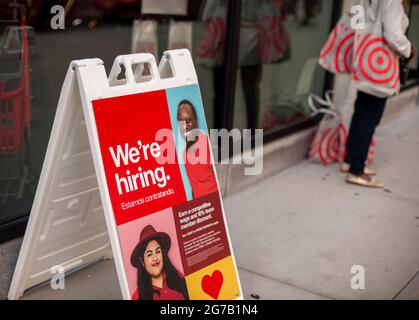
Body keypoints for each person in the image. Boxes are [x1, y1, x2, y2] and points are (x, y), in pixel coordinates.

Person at [342, 0, 416, 188]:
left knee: (360, 113)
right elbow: (393, 34)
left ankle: (350, 160)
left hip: (364, 61)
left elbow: (355, 24)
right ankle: (356, 170)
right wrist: (408, 49)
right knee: (370, 117)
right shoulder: (391, 1)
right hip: (379, 66)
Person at [130, 225, 189, 300]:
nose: (155, 258)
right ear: (142, 262)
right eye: (149, 254)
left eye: (158, 251)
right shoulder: (138, 297)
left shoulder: (177, 277)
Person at [177, 100, 218, 199]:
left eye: (188, 120)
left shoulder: (209, 146)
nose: (185, 127)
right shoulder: (184, 153)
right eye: (181, 123)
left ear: (196, 121)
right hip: (202, 211)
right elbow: (194, 188)